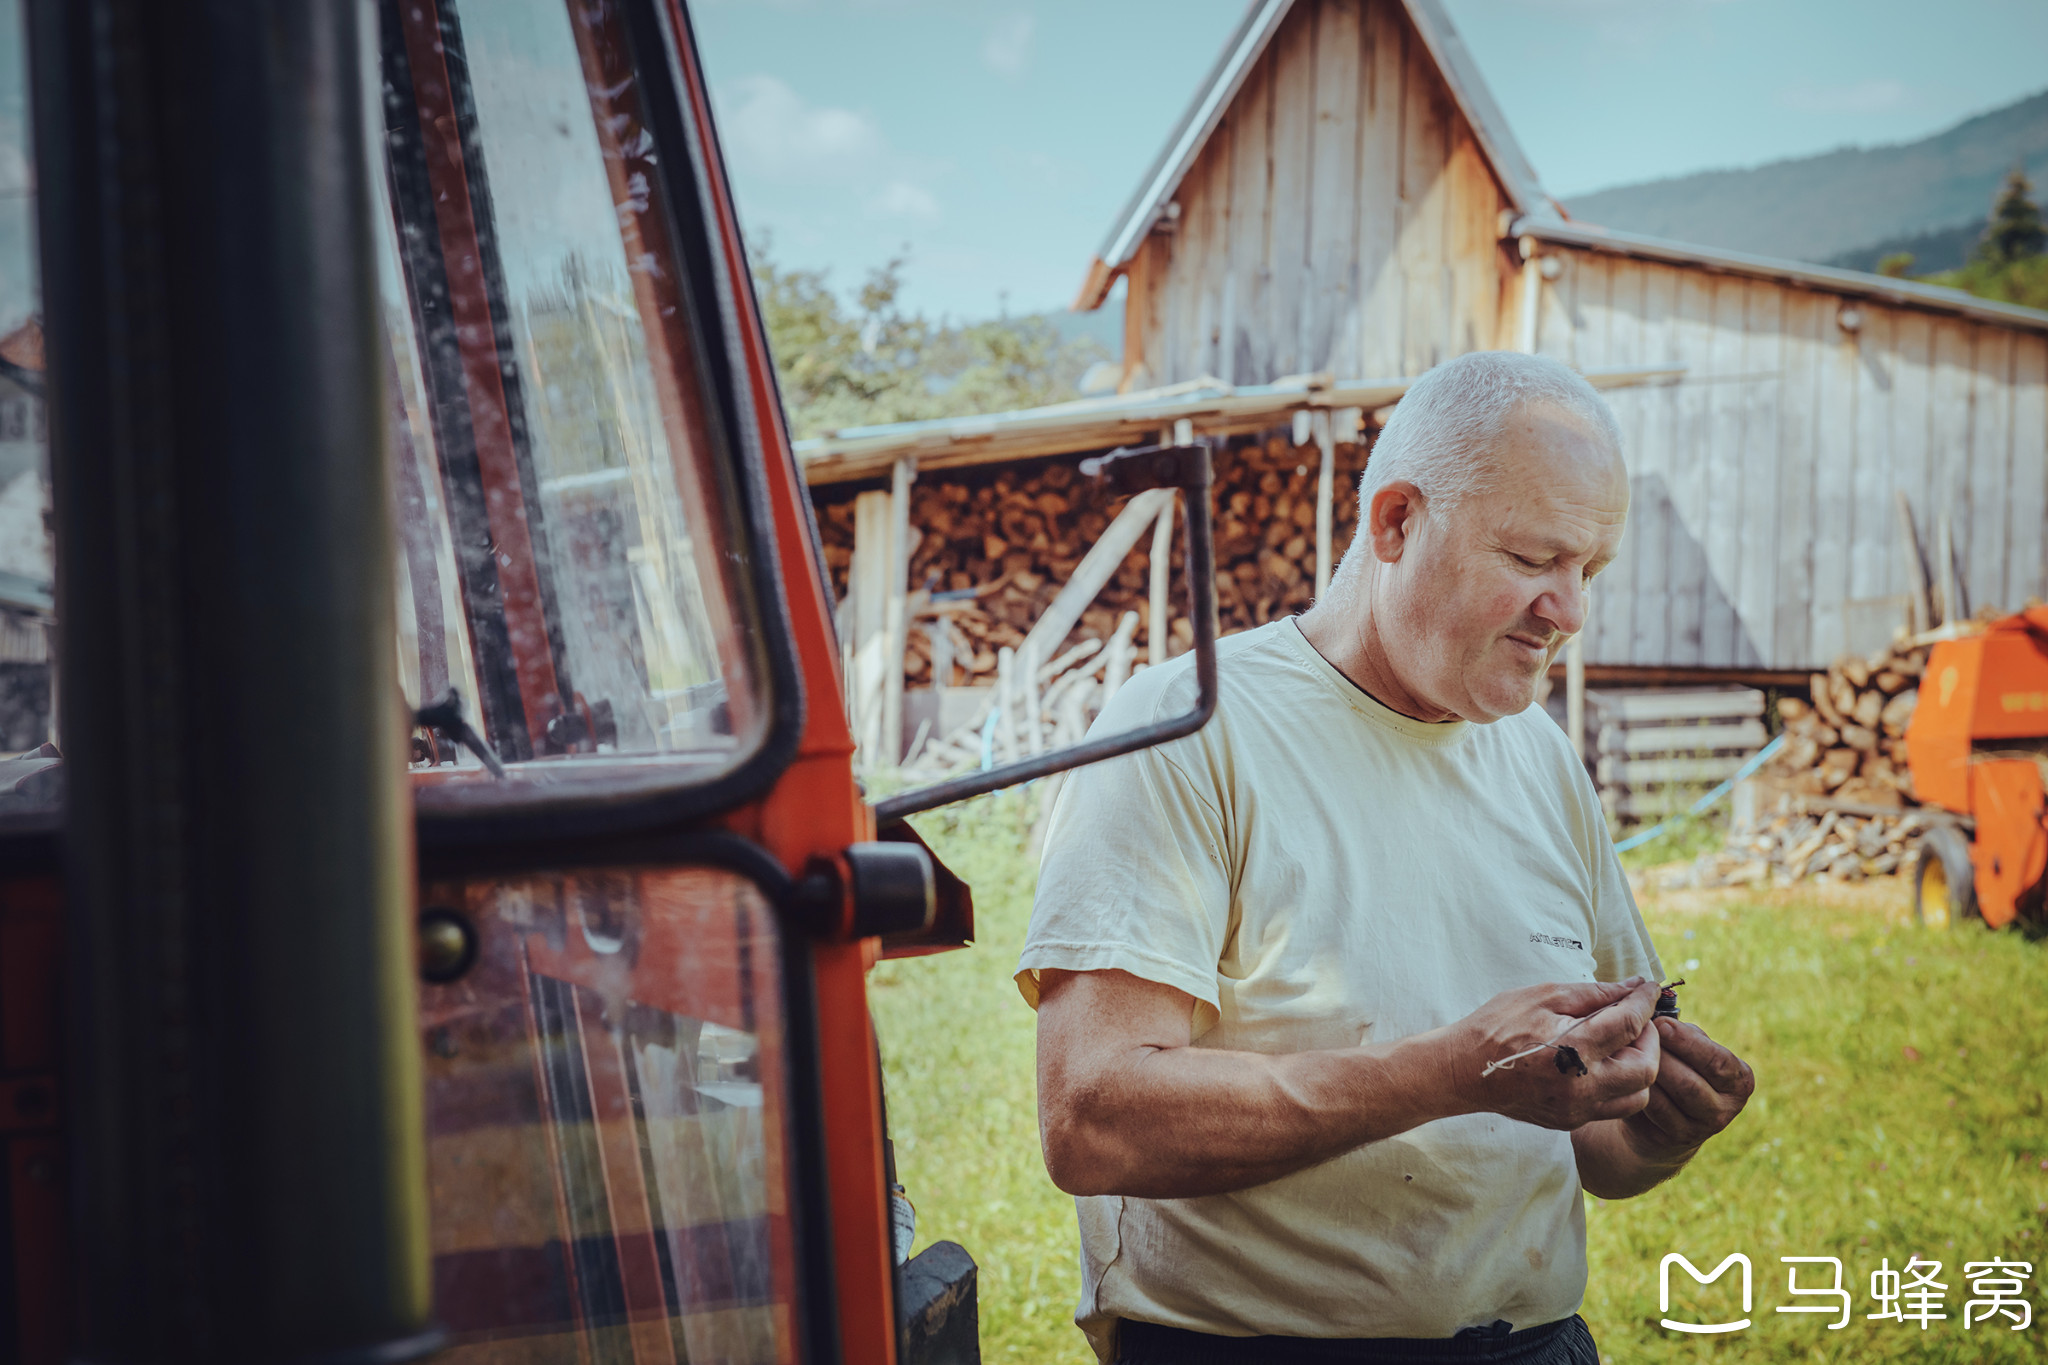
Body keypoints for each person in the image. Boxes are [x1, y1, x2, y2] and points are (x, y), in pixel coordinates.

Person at [1017, 350, 1756, 1365]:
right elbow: (1092, 1120)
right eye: (1532, 559)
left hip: (1534, 1345)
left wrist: (1658, 1130)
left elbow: (1591, 1148)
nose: (1569, 612)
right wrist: (1444, 1074)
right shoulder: (1189, 726)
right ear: (1395, 522)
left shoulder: (1538, 756)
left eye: (1588, 570)